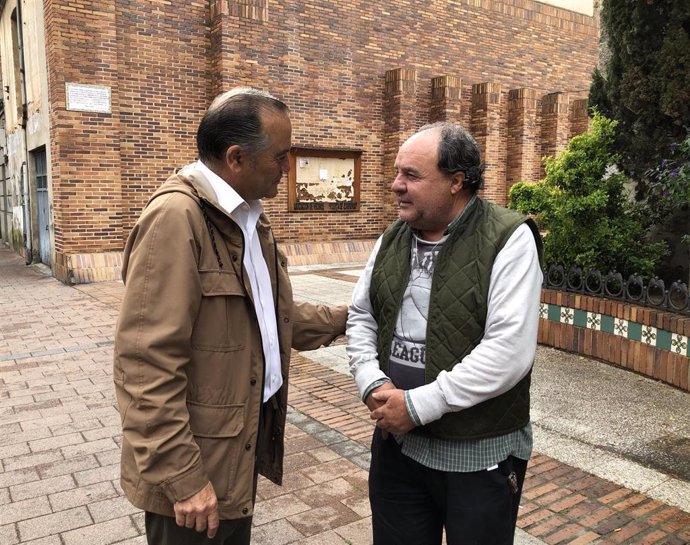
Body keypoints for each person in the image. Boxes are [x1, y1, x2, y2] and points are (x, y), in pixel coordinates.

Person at [114, 87, 347, 545]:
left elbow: (269, 316)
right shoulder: (177, 219)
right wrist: (183, 478)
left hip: (233, 446)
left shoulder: (250, 218)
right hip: (195, 466)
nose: (288, 168)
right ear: (237, 158)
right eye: (280, 157)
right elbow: (144, 366)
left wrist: (347, 317)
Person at [347, 122, 543, 545]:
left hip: (476, 454)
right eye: (397, 173)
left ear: (457, 181)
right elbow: (362, 316)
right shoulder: (393, 237)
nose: (396, 185)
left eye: (411, 175)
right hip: (396, 446)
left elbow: (508, 351)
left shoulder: (508, 238)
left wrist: (417, 405)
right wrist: (372, 383)